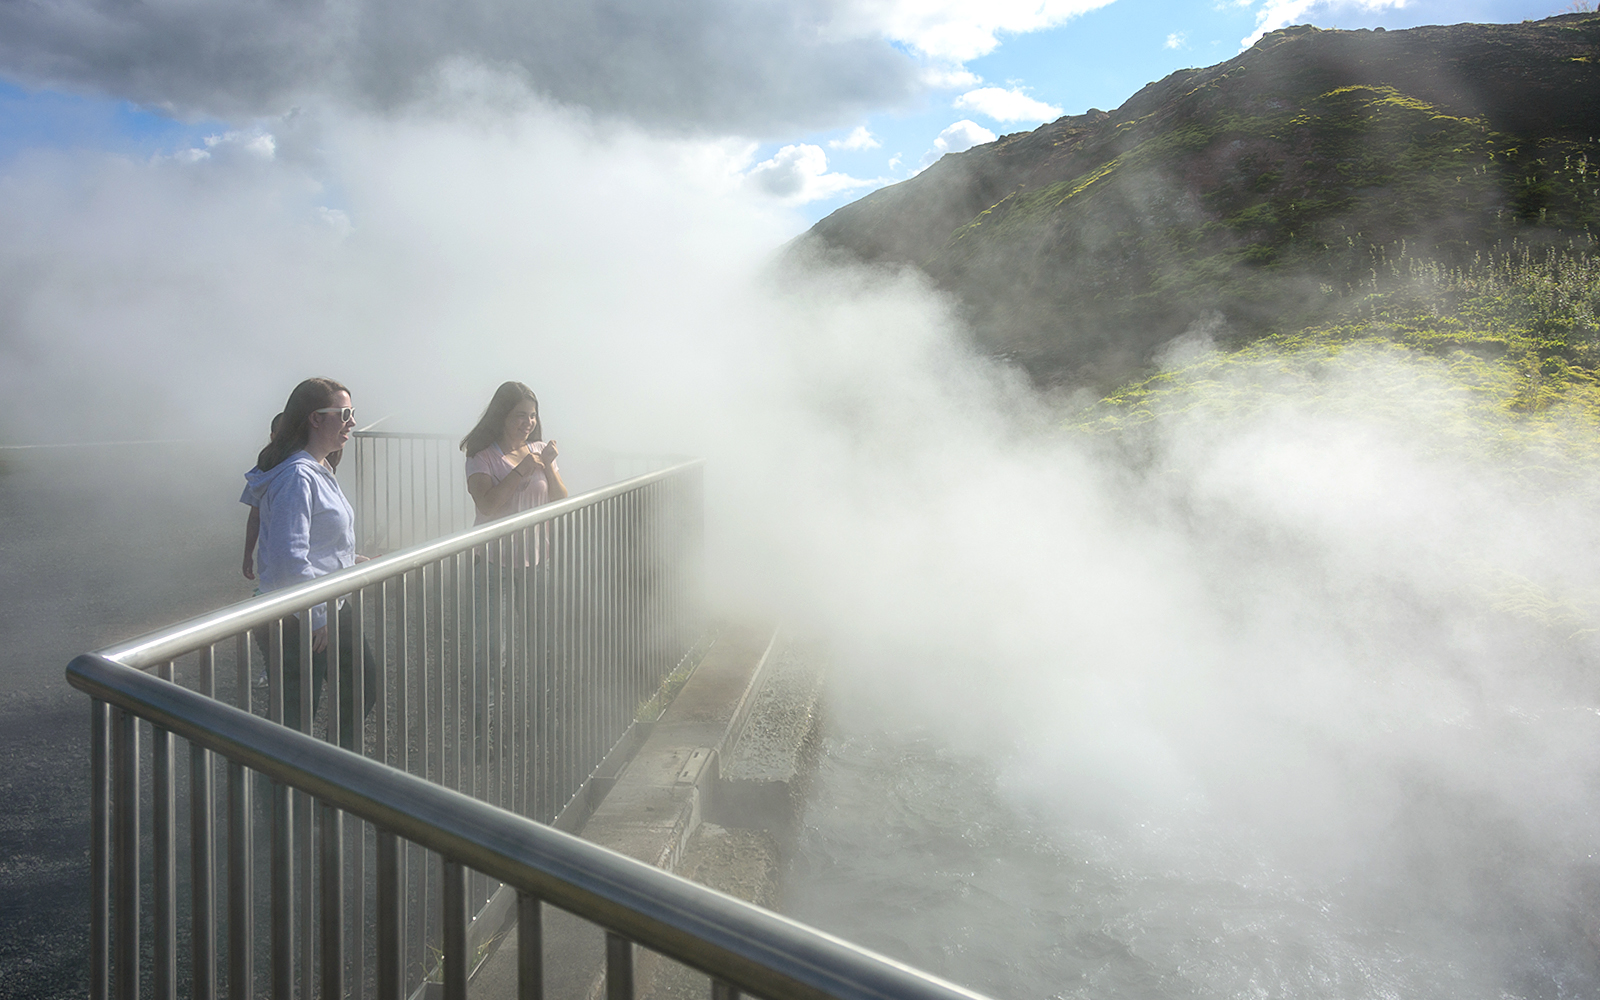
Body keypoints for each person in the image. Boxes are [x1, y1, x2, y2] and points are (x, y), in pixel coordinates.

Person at [240, 377, 378, 749]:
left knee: (359, 688)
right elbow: (289, 556)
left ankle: (332, 769)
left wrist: (348, 560)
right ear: (315, 419)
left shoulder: (316, 468)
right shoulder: (297, 477)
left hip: (328, 603)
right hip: (302, 615)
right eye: (344, 414)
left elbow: (314, 542)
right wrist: (319, 617)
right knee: (295, 717)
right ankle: (287, 781)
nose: (352, 422)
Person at [461, 381, 568, 526]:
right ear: (502, 416)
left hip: (537, 540)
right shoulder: (481, 457)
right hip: (498, 541)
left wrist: (548, 464)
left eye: (533, 416)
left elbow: (560, 500)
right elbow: (487, 507)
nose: (529, 422)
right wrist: (521, 469)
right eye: (521, 415)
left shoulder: (540, 450)